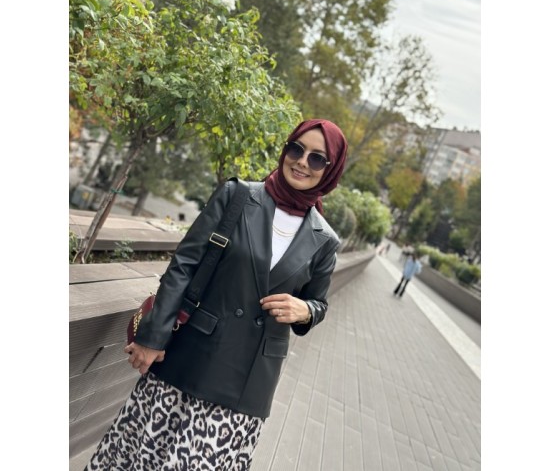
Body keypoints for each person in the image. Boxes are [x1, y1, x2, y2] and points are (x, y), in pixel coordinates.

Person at [84, 118, 348, 471]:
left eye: (317, 158)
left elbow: (319, 302)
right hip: (190, 356)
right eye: (296, 149)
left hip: (247, 382)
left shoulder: (325, 239)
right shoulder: (238, 196)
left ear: (331, 170)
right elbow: (184, 264)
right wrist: (152, 337)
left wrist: (306, 310)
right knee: (139, 458)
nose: (302, 162)